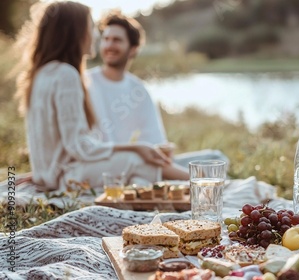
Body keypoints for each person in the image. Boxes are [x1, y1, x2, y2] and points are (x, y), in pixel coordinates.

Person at [14, 1, 189, 192]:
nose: (96, 35)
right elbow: (79, 146)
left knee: (139, 172)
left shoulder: (42, 73)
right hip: (65, 177)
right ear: (75, 32)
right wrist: (134, 148)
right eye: (91, 27)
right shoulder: (67, 75)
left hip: (50, 174)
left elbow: (64, 145)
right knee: (136, 160)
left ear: (133, 49)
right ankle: (201, 183)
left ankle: (157, 191)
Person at [87, 11, 229, 168]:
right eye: (105, 39)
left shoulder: (138, 90)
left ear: (133, 49)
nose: (109, 45)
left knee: (216, 159)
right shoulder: (85, 82)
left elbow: (154, 142)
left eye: (116, 40)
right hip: (100, 163)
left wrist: (163, 150)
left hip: (132, 164)